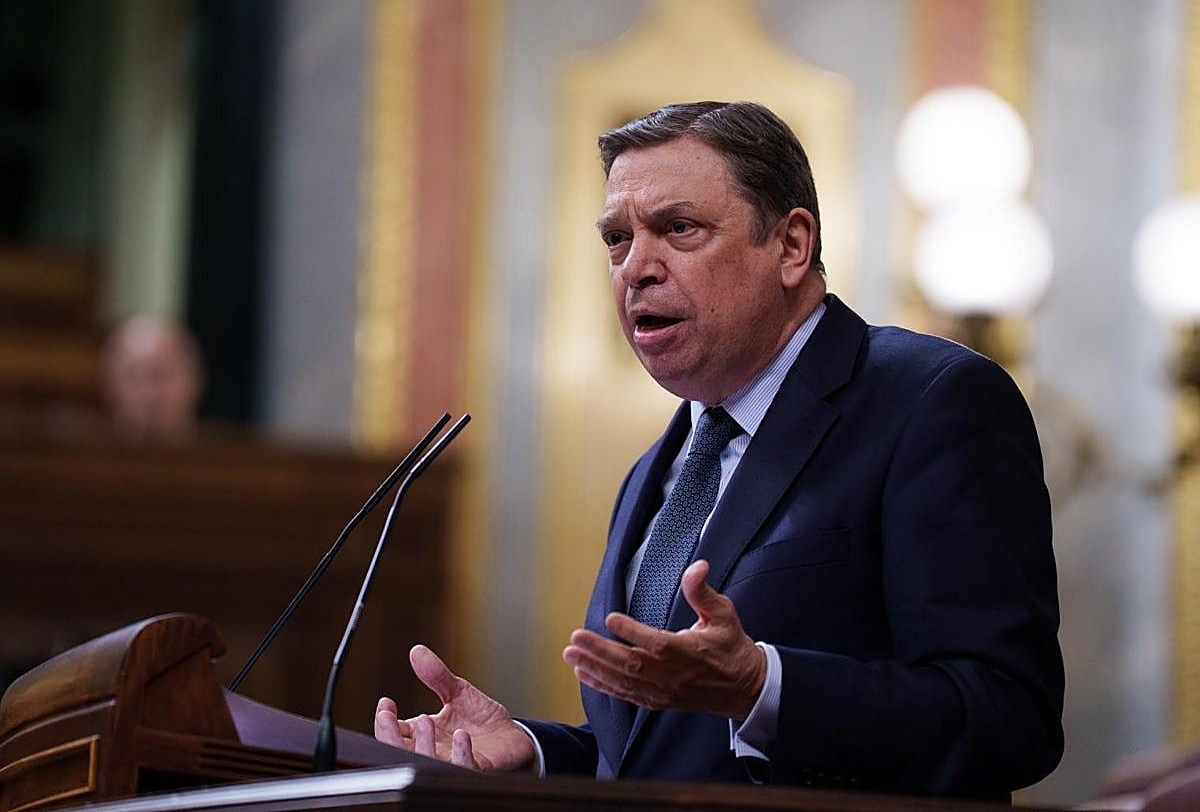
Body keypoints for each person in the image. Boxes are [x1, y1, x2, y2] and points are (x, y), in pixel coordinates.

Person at [374, 101, 1064, 798]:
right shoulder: (659, 467)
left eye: (678, 229)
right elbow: (672, 753)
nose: (635, 267)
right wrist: (536, 752)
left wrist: (765, 686)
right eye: (617, 238)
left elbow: (1008, 717)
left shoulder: (931, 402)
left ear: (791, 246)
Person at [102, 314, 203, 440]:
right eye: (134, 377)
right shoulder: (85, 455)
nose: (150, 395)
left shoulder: (227, 455)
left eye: (162, 374)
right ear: (109, 386)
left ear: (194, 382)